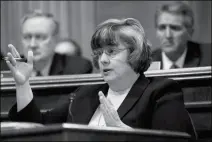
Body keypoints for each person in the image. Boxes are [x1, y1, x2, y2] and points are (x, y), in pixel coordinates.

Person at [7, 18, 197, 140]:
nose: (102, 59)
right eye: (99, 53)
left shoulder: (160, 92)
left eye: (111, 52)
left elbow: (174, 140)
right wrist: (23, 84)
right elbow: (38, 126)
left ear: (135, 53)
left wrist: (123, 131)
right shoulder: (85, 94)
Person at [17, 10, 92, 76]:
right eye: (27, 37)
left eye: (40, 37)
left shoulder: (77, 68)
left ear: (56, 39)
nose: (32, 45)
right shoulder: (10, 67)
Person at [152, 1, 211, 69]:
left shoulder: (208, 56)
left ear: (190, 32)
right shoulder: (144, 63)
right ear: (156, 31)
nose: (168, 35)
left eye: (175, 28)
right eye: (162, 28)